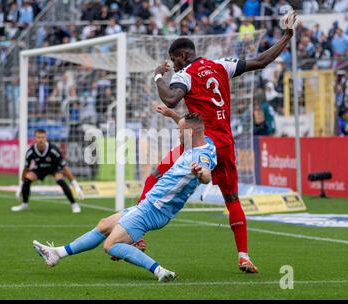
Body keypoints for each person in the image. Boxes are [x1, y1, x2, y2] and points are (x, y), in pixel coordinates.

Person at [135, 11, 299, 273]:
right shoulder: (223, 65)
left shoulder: (185, 74)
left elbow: (170, 98)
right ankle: (243, 255)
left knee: (153, 177)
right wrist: (287, 35)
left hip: (201, 144)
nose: (174, 64)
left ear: (182, 55)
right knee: (232, 198)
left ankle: (136, 234)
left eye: (173, 59)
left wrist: (157, 76)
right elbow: (262, 61)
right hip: (225, 144)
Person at [33, 113, 217, 281]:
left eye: (180, 131)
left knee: (110, 245)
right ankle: (57, 253)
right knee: (104, 225)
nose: (178, 134)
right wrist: (173, 116)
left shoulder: (201, 155)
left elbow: (206, 174)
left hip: (155, 208)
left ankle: (160, 271)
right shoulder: (201, 141)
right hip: (151, 204)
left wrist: (200, 173)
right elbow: (191, 129)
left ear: (190, 133)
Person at [11, 129, 84, 213]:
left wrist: (76, 186)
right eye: (38, 137)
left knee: (60, 180)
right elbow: (26, 169)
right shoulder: (30, 151)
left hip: (54, 168)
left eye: (43, 137)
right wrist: (21, 185)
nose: (41, 139)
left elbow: (65, 168)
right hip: (40, 169)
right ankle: (24, 204)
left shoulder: (53, 150)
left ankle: (74, 204)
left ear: (46, 138)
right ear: (35, 138)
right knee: (27, 179)